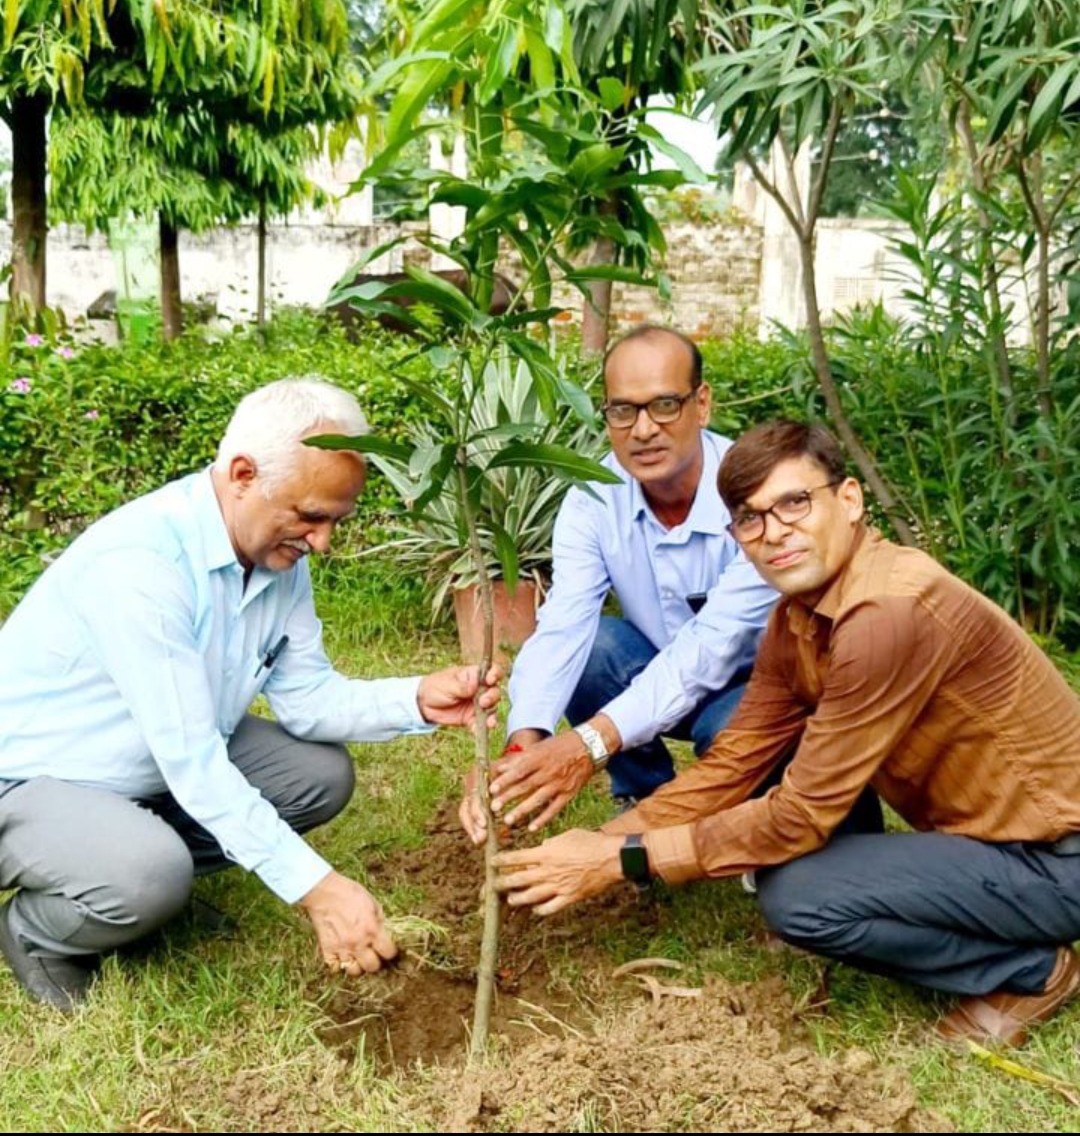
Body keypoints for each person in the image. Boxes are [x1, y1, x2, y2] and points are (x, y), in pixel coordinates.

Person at [494, 419, 1080, 1047]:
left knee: (801, 896)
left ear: (849, 500)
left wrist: (619, 860)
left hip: (1057, 858)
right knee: (796, 871)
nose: (774, 533)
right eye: (750, 518)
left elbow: (799, 817)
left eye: (794, 503)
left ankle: (1033, 972)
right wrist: (595, 843)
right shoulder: (795, 620)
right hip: (993, 843)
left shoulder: (887, 611)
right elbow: (733, 764)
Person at [0, 377, 499, 1011]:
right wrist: (318, 888)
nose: (323, 541)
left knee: (316, 774)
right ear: (242, 473)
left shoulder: (274, 558)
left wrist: (417, 701)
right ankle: (41, 930)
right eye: (312, 516)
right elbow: (194, 763)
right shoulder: (140, 568)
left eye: (334, 521)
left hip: (141, 767)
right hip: (29, 781)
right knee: (149, 873)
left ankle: (143, 882)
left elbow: (306, 698)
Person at [460, 325, 776, 842]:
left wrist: (589, 744)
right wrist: (521, 750)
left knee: (739, 726)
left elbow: (712, 645)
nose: (643, 429)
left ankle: (742, 817)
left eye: (664, 406)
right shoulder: (593, 494)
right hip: (656, 668)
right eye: (623, 411)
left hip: (754, 686)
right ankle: (644, 793)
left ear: (702, 404)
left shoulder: (755, 492)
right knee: (593, 647)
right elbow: (563, 624)